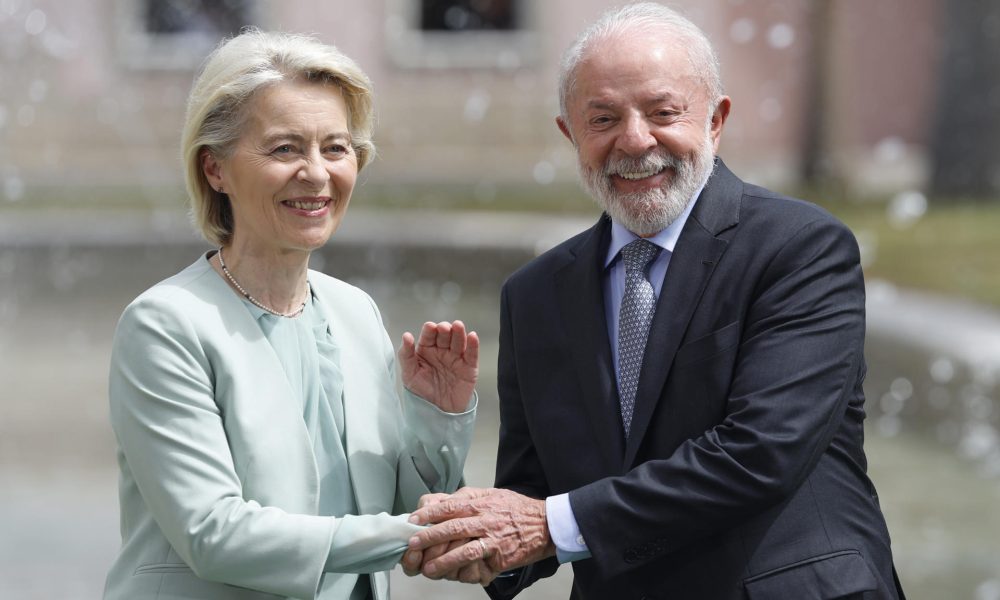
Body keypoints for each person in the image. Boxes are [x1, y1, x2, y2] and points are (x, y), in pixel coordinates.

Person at [403, 3, 906, 599]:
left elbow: (761, 451)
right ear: (569, 133)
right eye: (603, 119)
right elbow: (530, 503)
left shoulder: (799, 249)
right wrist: (462, 493)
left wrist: (548, 527)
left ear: (716, 120)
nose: (635, 140)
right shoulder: (534, 294)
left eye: (664, 113)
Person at [103, 29, 480, 600]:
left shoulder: (355, 311)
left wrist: (437, 420)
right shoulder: (164, 324)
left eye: (335, 147)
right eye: (285, 149)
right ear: (215, 170)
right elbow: (215, 534)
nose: (317, 173)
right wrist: (435, 532)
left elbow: (395, 504)